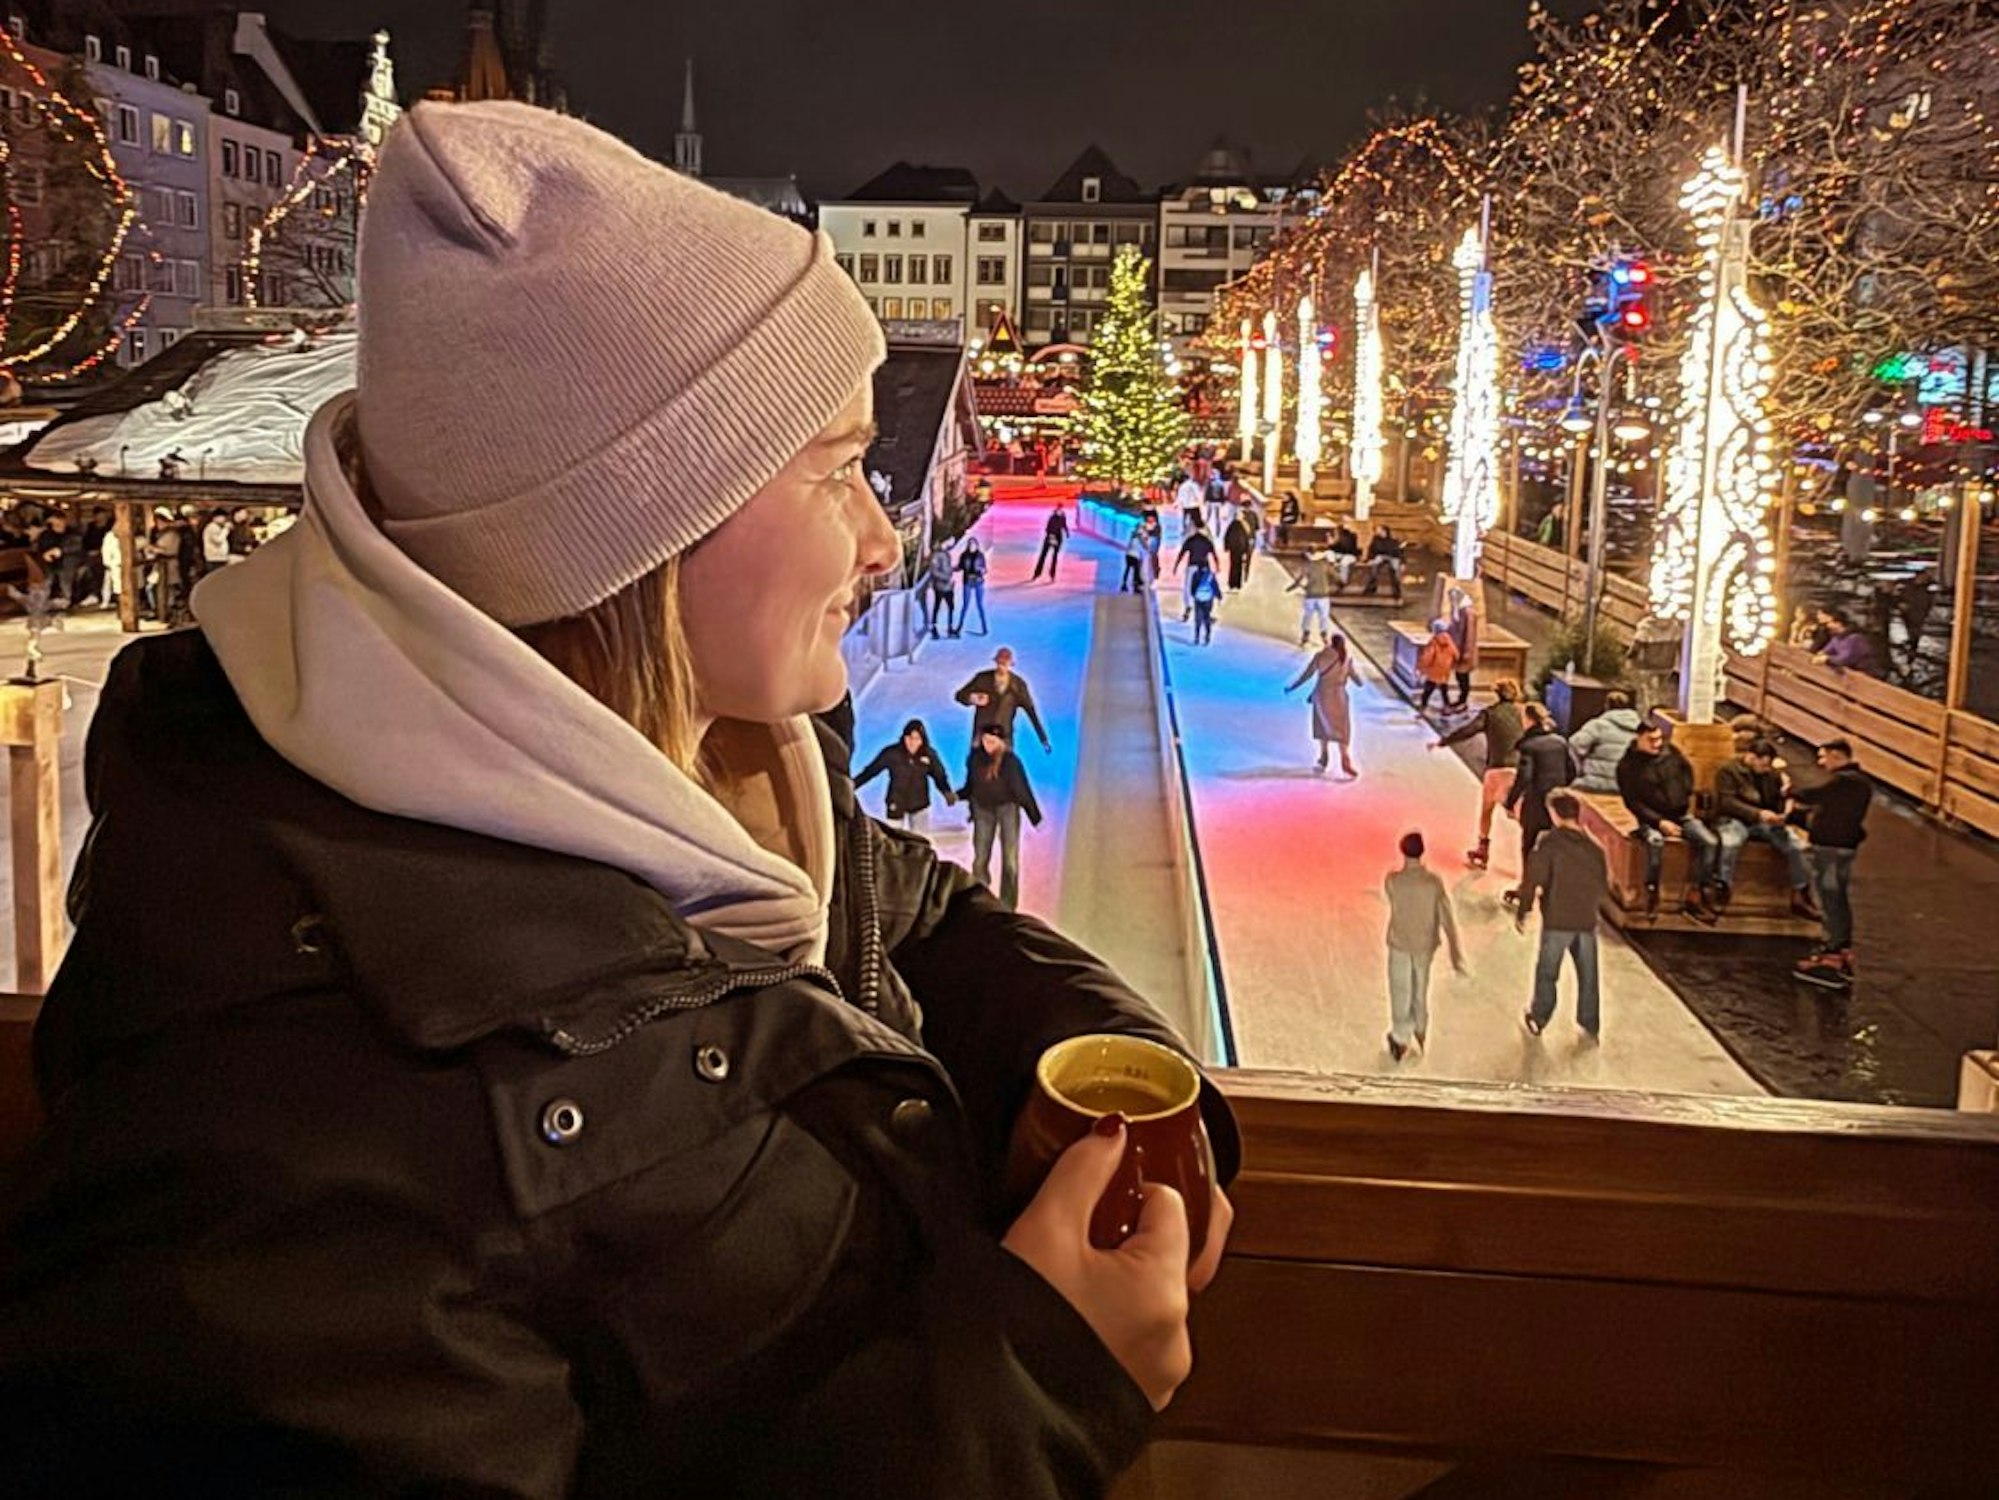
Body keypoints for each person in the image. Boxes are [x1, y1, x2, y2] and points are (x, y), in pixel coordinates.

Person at [0, 102, 1238, 1499]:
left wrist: (1072, 1079)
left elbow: (906, 916)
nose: (886, 537)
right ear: (641, 535)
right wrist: (1035, 1385)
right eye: (834, 470)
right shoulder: (281, 1161)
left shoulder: (724, 770)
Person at [1515, 792, 1610, 1041]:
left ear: (1554, 813)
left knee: (1548, 972)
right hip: (1587, 920)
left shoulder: (1549, 842)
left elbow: (1534, 878)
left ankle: (1539, 1017)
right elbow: (1603, 885)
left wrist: (1524, 909)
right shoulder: (1594, 847)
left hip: (1558, 919)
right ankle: (1590, 1023)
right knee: (1588, 975)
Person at [1788, 738, 1872, 989]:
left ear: (1837, 755)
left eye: (1823, 756)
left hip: (1832, 849)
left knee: (1830, 898)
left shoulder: (1846, 782)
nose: (1820, 762)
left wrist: (1790, 792)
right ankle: (1841, 949)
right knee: (1838, 898)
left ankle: (1832, 954)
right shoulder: (1860, 783)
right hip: (1843, 847)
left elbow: (1813, 795)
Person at [1616, 720, 1721, 921]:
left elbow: (1686, 771)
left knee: (1709, 841)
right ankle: (1651, 891)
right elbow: (1633, 801)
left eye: (1658, 739)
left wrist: (1684, 793)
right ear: (1639, 738)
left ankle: (1695, 892)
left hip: (1679, 814)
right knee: (1655, 843)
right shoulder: (1628, 766)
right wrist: (1659, 822)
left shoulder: (1671, 753)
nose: (1656, 744)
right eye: (1651, 740)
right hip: (1650, 818)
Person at [1382, 831, 1465, 1062]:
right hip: (1424, 944)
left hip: (1400, 941)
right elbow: (1446, 916)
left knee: (1400, 988)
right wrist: (1455, 952)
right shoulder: (1433, 883)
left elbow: (1390, 897)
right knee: (1420, 986)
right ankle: (1420, 1027)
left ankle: (1400, 1035)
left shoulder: (1393, 880)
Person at [1712, 737, 1816, 918]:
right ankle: (1722, 887)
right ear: (1751, 757)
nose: (1767, 769)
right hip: (1735, 819)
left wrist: (1786, 802)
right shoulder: (1728, 771)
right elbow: (1727, 802)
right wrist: (1758, 813)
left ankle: (1800, 893)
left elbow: (1779, 800)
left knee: (1795, 846)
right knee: (1731, 843)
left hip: (1763, 821)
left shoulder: (1772, 775)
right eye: (1764, 765)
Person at [1433, 677, 1525, 869]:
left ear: (1496, 693)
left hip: (1497, 768)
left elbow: (1469, 730)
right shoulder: (1522, 713)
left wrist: (1444, 741)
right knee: (1518, 814)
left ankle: (1483, 849)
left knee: (1487, 810)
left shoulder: (1490, 714)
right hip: (1519, 769)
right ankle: (1529, 855)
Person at [960, 723, 1044, 910]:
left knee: (1010, 859)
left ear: (1001, 742)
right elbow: (971, 785)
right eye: (985, 740)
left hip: (1007, 808)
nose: (988, 745)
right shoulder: (975, 758)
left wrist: (1034, 816)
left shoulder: (1010, 762)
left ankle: (1008, 903)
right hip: (983, 809)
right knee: (980, 856)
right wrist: (958, 795)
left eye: (992, 741)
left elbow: (1022, 790)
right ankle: (980, 895)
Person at [1503, 703, 1572, 900]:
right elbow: (1571, 771)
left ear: (1529, 720)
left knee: (1529, 844)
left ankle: (1527, 887)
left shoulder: (1529, 746)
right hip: (1557, 803)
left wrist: (1510, 801)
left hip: (1535, 802)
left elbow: (1524, 776)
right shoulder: (1560, 742)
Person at [855, 717, 956, 834]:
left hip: (920, 804)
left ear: (922, 740)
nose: (912, 742)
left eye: (917, 738)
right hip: (896, 802)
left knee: (920, 842)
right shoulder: (891, 753)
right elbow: (870, 771)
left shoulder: (929, 755)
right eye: (909, 738)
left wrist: (946, 791)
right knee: (894, 841)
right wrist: (853, 784)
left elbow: (939, 776)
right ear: (904, 737)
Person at [1284, 631, 1361, 776]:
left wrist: (1292, 687)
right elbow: (1357, 679)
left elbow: (1307, 675)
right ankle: (1345, 758)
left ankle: (1324, 756)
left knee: (1322, 726)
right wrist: (1359, 681)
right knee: (1342, 730)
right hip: (1340, 698)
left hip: (1322, 696)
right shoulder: (1346, 658)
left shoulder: (1320, 656)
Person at [955, 645, 1052, 755]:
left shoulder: (1018, 685)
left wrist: (1043, 739)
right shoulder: (982, 678)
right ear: (996, 662)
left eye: (1005, 663)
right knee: (977, 768)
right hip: (981, 736)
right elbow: (960, 695)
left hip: (1004, 738)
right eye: (999, 663)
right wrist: (973, 698)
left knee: (1006, 769)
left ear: (1010, 663)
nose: (1002, 667)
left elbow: (1031, 712)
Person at [1567, 690, 1643, 793]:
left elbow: (1574, 745)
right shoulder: (1640, 730)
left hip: (1593, 784)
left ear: (1607, 706)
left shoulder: (1598, 725)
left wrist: (1579, 769)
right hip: (1625, 787)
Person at [1285, 544, 1337, 647]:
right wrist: (1341, 583)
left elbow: (1300, 580)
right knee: (1323, 617)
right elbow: (1335, 576)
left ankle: (1305, 636)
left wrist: (1290, 588)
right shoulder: (1325, 564)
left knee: (1307, 616)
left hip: (1311, 595)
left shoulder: (1307, 565)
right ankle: (1324, 637)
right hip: (1323, 595)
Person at [1174, 515, 1219, 622]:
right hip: (1204, 567)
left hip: (1192, 566)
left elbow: (1182, 553)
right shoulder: (1206, 541)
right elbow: (1213, 554)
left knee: (1188, 588)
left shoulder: (1191, 540)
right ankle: (1205, 612)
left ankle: (1188, 608)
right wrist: (1217, 566)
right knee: (1203, 588)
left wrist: (1176, 566)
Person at [1414, 619, 1459, 713]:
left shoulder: (1434, 641)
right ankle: (1447, 706)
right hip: (1445, 669)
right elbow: (1456, 654)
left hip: (1434, 669)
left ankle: (1423, 706)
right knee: (1444, 689)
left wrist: (1420, 667)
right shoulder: (1449, 640)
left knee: (1428, 689)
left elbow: (1428, 656)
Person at [1444, 587, 1479, 710]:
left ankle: (1463, 700)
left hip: (1464, 651)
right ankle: (1460, 699)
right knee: (1460, 676)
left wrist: (1467, 653)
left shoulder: (1469, 612)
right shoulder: (1459, 610)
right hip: (1457, 649)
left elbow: (1470, 634)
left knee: (1463, 676)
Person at [1813, 610, 1872, 674]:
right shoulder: (1836, 638)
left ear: (1838, 624)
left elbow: (1845, 659)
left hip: (1863, 674)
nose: (1828, 626)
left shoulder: (1854, 638)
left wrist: (1827, 659)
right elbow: (1827, 650)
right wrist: (1820, 654)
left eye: (1830, 623)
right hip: (1848, 673)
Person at [1360, 524, 1405, 602]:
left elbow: (1399, 552)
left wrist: (1402, 562)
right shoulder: (1376, 540)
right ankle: (1371, 587)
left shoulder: (1392, 540)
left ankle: (1397, 591)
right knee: (1375, 565)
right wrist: (1369, 559)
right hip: (1381, 556)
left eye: (1378, 530)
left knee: (1395, 569)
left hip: (1393, 557)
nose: (1377, 531)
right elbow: (1371, 550)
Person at [922, 540, 957, 639]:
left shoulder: (946, 554)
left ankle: (950, 627)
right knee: (937, 607)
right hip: (940, 586)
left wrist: (952, 571)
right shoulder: (936, 556)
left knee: (951, 606)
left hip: (949, 586)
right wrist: (945, 577)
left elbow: (948, 568)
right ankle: (934, 628)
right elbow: (934, 571)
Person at [956, 535, 989, 637]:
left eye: (973, 545)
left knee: (980, 605)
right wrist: (950, 569)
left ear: (976, 546)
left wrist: (982, 570)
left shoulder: (980, 556)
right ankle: (959, 627)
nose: (971, 546)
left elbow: (985, 568)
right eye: (970, 544)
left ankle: (984, 628)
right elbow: (960, 567)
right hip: (967, 582)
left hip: (978, 582)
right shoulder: (964, 555)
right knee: (965, 605)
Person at [1222, 507, 1256, 591]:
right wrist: (1226, 546)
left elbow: (1246, 538)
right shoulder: (1233, 524)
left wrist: (1245, 549)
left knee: (1238, 566)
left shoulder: (1244, 525)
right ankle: (1232, 584)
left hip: (1240, 549)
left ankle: (1237, 584)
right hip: (1234, 548)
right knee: (1233, 566)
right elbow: (1227, 536)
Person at [1188, 560, 1221, 646]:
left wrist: (1194, 595)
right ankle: (1207, 637)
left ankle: (1197, 638)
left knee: (1198, 619)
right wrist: (1219, 596)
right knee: (1207, 618)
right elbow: (1215, 586)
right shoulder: (1210, 575)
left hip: (1198, 599)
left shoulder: (1196, 574)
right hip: (1208, 599)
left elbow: (1192, 588)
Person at [1031, 504, 1068, 582]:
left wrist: (1067, 532)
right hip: (1050, 537)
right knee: (1043, 555)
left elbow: (1064, 525)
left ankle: (1052, 575)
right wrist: (1051, 537)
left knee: (1054, 557)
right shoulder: (1052, 518)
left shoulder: (1063, 517)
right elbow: (1048, 529)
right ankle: (1037, 573)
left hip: (1057, 538)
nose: (1059, 511)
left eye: (1060, 509)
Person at [1329, 522, 1361, 591]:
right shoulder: (1337, 537)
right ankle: (1334, 565)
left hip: (1349, 555)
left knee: (1344, 563)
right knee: (1329, 554)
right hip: (1339, 555)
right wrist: (1331, 542)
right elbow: (1333, 549)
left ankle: (1343, 581)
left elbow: (1347, 548)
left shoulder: (1352, 536)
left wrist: (1335, 541)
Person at [1119, 522, 1148, 593]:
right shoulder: (1139, 537)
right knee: (1135, 570)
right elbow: (1145, 545)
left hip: (1129, 554)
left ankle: (1124, 583)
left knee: (1128, 569)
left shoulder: (1133, 537)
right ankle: (1136, 584)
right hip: (1134, 556)